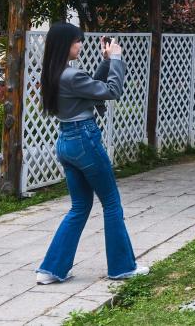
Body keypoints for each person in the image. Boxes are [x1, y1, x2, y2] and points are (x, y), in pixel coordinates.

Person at [36, 23, 149, 284]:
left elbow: (91, 85)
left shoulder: (55, 74)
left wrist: (106, 62)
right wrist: (118, 59)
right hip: (84, 139)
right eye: (77, 41)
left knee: (79, 206)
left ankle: (51, 270)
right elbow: (112, 91)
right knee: (111, 201)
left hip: (66, 140)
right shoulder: (70, 76)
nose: (80, 45)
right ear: (66, 44)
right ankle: (122, 267)